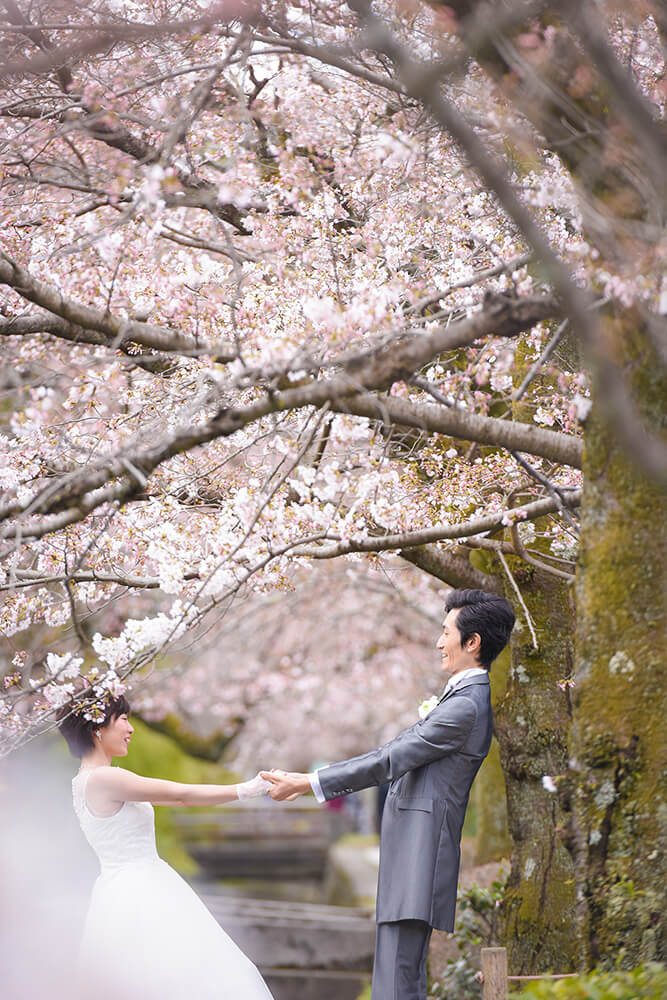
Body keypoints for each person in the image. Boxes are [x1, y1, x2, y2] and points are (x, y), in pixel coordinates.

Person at [262, 588, 515, 1000]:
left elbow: (389, 758)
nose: (438, 643)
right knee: (398, 977)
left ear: (473, 643)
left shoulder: (465, 706)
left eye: (446, 633)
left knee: (397, 980)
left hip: (420, 850)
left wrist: (310, 782)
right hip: (412, 849)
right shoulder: (460, 698)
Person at [58, 692, 274, 1000]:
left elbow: (175, 796)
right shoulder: (104, 778)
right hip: (141, 890)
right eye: (123, 719)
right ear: (98, 728)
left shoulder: (85, 781)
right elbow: (179, 795)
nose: (131, 728)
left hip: (126, 887)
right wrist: (245, 789)